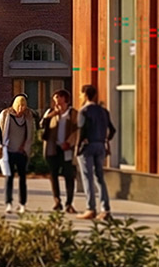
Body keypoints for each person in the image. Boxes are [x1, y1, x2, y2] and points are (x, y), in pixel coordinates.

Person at [75, 84, 113, 220]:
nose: (80, 96)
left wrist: (78, 147)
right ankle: (105, 209)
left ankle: (90, 208)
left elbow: (81, 130)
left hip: (87, 146)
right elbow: (112, 129)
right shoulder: (103, 111)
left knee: (87, 177)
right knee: (99, 177)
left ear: (85, 94)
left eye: (80, 94)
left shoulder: (83, 111)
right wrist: (105, 139)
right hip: (100, 145)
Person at [0, 94, 35, 214]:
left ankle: (22, 204)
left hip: (22, 152)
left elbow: (31, 134)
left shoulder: (28, 116)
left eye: (24, 106)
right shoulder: (6, 114)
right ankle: (9, 203)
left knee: (22, 178)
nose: (21, 108)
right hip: (8, 151)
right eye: (19, 106)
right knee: (9, 178)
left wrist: (25, 147)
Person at [42, 89, 80, 214]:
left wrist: (69, 142)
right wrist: (50, 116)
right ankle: (57, 200)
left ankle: (69, 203)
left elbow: (77, 130)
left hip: (67, 148)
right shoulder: (51, 112)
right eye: (54, 99)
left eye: (57, 97)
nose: (55, 101)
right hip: (53, 148)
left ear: (64, 98)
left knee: (69, 175)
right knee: (53, 175)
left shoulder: (73, 113)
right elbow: (42, 125)